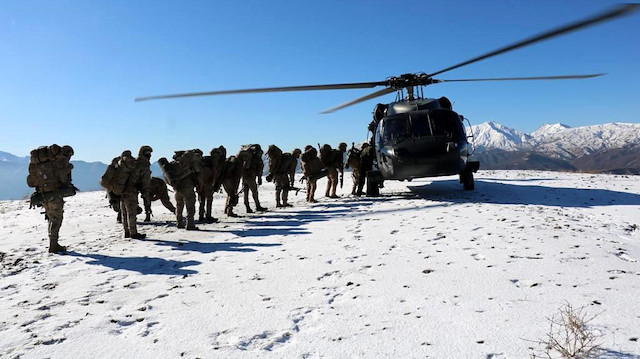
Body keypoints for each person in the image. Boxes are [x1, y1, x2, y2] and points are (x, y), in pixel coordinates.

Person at [26, 144, 76, 253]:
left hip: (42, 194)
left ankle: (53, 242)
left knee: (51, 218)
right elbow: (63, 179)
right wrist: (68, 169)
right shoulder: (59, 162)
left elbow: (30, 182)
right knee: (56, 219)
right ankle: (53, 245)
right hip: (54, 194)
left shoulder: (40, 163)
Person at [118, 150, 147, 239]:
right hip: (131, 191)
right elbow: (142, 178)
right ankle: (133, 233)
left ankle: (126, 232)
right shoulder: (134, 164)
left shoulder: (120, 164)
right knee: (131, 213)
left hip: (121, 191)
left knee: (124, 213)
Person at [241, 144, 267, 213]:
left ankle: (247, 207)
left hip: (244, 176)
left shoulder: (249, 158)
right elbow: (259, 170)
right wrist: (259, 179)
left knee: (245, 192)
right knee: (254, 192)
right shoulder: (257, 159)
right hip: (251, 177)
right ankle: (257, 206)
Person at [136, 145, 153, 222]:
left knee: (146, 200)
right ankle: (147, 215)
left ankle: (147, 215)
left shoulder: (143, 161)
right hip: (141, 183)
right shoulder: (142, 161)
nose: (149, 155)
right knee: (146, 200)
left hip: (141, 183)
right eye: (147, 153)